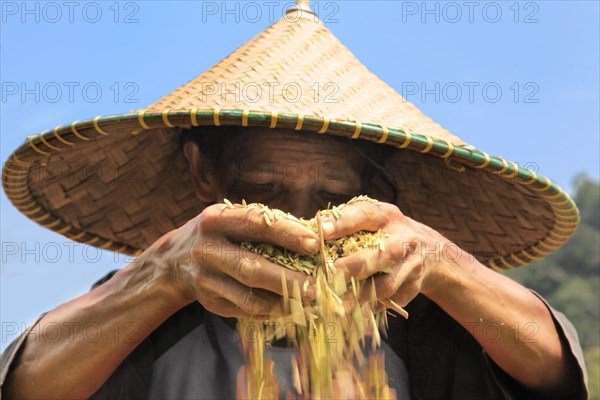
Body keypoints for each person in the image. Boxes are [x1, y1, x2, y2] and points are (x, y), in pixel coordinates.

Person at [1, 3, 588, 399]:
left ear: (373, 194)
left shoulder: (416, 321)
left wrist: (441, 261)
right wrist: (159, 277)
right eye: (265, 187)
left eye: (333, 195)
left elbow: (554, 367)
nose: (303, 222)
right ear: (204, 173)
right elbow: (25, 381)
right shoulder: (152, 308)